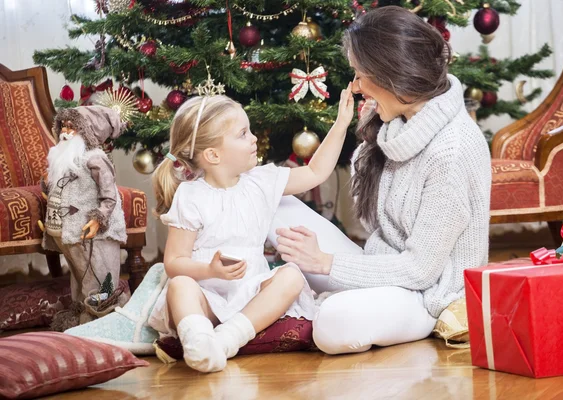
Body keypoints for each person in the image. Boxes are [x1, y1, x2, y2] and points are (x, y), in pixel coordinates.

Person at [274, 6, 492, 355]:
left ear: (392, 75)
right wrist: (368, 135)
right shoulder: (400, 123)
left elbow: (420, 270)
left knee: (332, 325)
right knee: (276, 205)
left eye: (361, 76)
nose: (357, 87)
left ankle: (298, 305)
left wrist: (325, 263)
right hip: (381, 268)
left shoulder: (452, 151)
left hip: (426, 297)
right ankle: (275, 300)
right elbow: (376, 225)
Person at [149, 89, 354, 373]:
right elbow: (173, 263)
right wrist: (210, 271)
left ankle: (228, 338)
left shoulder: (261, 181)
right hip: (206, 294)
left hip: (251, 292)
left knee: (292, 275)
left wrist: (341, 124)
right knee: (179, 285)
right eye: (243, 134)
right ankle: (198, 340)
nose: (254, 138)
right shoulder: (191, 196)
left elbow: (316, 172)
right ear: (213, 154)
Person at [41, 106, 129, 330]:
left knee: (99, 275)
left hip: (92, 231)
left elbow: (109, 196)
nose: (66, 132)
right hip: (70, 231)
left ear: (88, 131)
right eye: (64, 126)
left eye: (73, 128)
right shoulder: (64, 158)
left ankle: (102, 320)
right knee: (80, 276)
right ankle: (81, 312)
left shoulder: (95, 158)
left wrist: (99, 218)